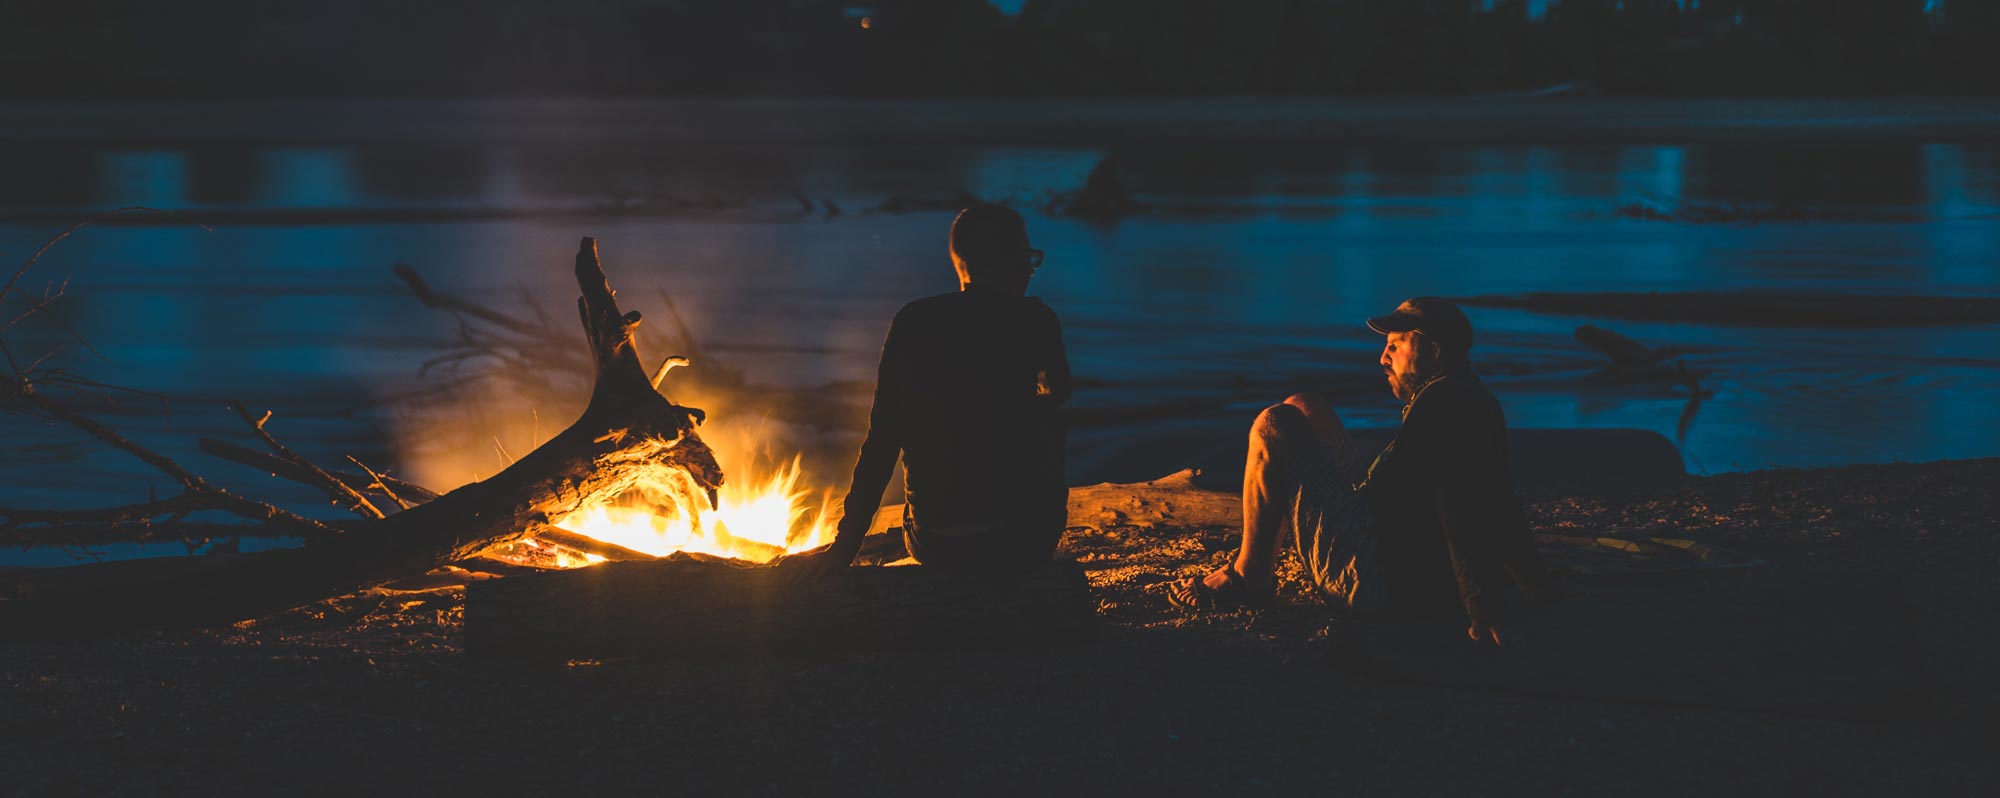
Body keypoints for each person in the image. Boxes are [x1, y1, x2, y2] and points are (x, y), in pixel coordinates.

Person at [1169, 297, 1554, 646]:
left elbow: (1462, 511)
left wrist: (1484, 613)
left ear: (1432, 352)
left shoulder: (1442, 411)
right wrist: (1538, 585)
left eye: (1395, 347)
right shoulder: (1470, 396)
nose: (1382, 359)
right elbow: (1502, 499)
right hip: (1378, 523)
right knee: (1305, 406)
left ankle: (1249, 577)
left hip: (1377, 578)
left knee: (1274, 424)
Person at [787, 204, 1071, 576]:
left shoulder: (913, 320)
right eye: (1024, 256)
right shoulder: (1035, 319)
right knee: (1048, 415)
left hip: (934, 542)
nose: (1030, 268)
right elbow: (1059, 391)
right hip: (1016, 540)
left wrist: (845, 548)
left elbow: (881, 441)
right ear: (999, 260)